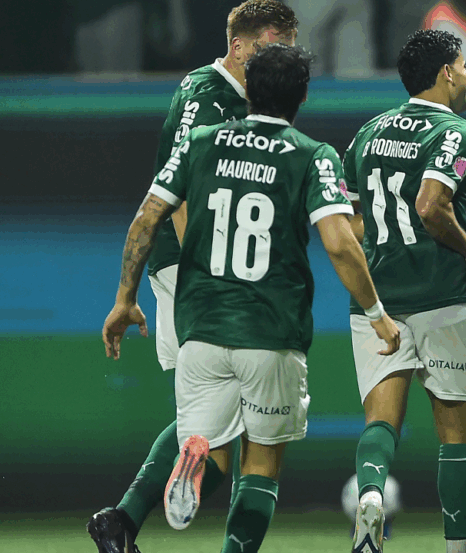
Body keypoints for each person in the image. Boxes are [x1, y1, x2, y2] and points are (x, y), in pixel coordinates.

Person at [100, 43, 401, 553]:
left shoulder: (198, 142)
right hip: (269, 332)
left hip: (201, 329)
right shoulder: (311, 155)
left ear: (250, 89)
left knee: (208, 443)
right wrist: (376, 313)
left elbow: (148, 216)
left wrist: (126, 297)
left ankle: (187, 460)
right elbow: (339, 243)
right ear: (302, 95)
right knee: (261, 463)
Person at [86, 3, 299, 552]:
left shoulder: (215, 92)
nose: (288, 54)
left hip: (187, 267)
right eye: (280, 42)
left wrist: (126, 294)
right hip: (199, 269)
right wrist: (213, 269)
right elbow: (181, 190)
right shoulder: (212, 97)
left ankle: (123, 519)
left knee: (218, 415)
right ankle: (144, 508)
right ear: (247, 44)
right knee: (245, 426)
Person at [341, 28, 466, 553]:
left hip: (378, 303)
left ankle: (369, 495)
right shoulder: (456, 132)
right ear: (447, 72)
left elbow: (353, 224)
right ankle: (456, 550)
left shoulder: (366, 134)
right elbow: (431, 206)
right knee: (457, 436)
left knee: (381, 422)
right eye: (465, 65)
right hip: (440, 297)